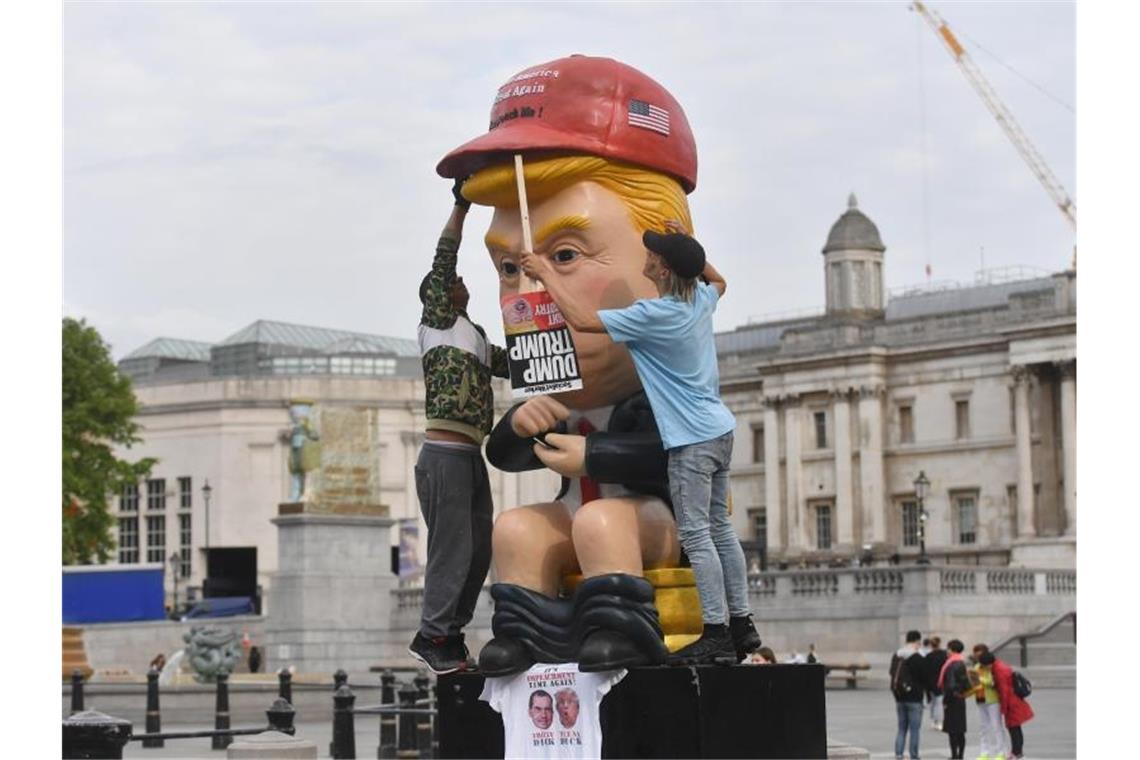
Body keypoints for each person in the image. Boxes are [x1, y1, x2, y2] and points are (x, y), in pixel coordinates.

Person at [438, 55, 761, 675]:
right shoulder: (693, 305)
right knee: (517, 529)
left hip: (650, 521)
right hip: (581, 506)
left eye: (565, 253)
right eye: (510, 269)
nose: (524, 295)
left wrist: (593, 458)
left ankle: (623, 628)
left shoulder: (655, 360)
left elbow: (657, 455)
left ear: (655, 258)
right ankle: (523, 632)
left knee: (605, 519)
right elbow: (505, 454)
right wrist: (523, 425)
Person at [520, 220, 759, 666]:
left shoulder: (657, 315)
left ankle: (716, 633)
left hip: (689, 439)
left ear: (664, 271)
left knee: (697, 535)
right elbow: (719, 280)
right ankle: (743, 623)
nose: (645, 257)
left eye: (654, 254)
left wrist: (544, 272)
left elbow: (582, 320)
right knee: (722, 531)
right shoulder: (701, 300)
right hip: (720, 430)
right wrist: (689, 248)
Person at [407, 180, 510, 675]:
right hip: (444, 454)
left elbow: (517, 365)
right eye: (453, 281)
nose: (462, 281)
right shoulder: (438, 321)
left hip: (470, 455)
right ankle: (431, 634)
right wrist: (461, 205)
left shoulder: (475, 336)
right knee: (453, 548)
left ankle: (450, 634)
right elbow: (445, 255)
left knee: (478, 549)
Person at [979, 650, 1034, 760]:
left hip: (1012, 703)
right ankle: (1017, 753)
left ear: (988, 664)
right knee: (1015, 728)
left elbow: (1004, 691)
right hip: (1013, 701)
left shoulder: (999, 670)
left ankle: (1017, 754)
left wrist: (1003, 708)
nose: (985, 668)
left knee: (1014, 729)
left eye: (985, 666)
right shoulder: (999, 666)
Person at [890, 630, 926, 760]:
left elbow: (891, 673)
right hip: (915, 697)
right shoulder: (918, 657)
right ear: (917, 641)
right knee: (914, 730)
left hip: (899, 696)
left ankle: (899, 754)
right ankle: (914, 756)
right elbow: (923, 677)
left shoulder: (897, 655)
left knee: (901, 728)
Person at [970, 644, 1007, 760]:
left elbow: (992, 683)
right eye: (976, 655)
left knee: (997, 726)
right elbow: (975, 684)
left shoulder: (993, 666)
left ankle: (1001, 752)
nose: (978, 658)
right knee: (983, 727)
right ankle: (984, 752)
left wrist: (980, 679)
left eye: (979, 655)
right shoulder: (976, 667)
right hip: (981, 699)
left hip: (993, 700)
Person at [937, 639, 969, 760]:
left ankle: (955, 755)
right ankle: (960, 755)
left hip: (952, 699)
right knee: (960, 730)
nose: (947, 650)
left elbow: (950, 685)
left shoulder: (952, 664)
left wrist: (946, 701)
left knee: (952, 731)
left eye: (948, 648)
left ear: (952, 650)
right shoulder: (960, 662)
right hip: (960, 699)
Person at [924, 636, 947, 730]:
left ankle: (933, 721)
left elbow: (925, 671)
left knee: (933, 702)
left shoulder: (928, 656)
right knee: (939, 702)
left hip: (930, 682)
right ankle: (939, 722)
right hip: (940, 681)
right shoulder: (944, 655)